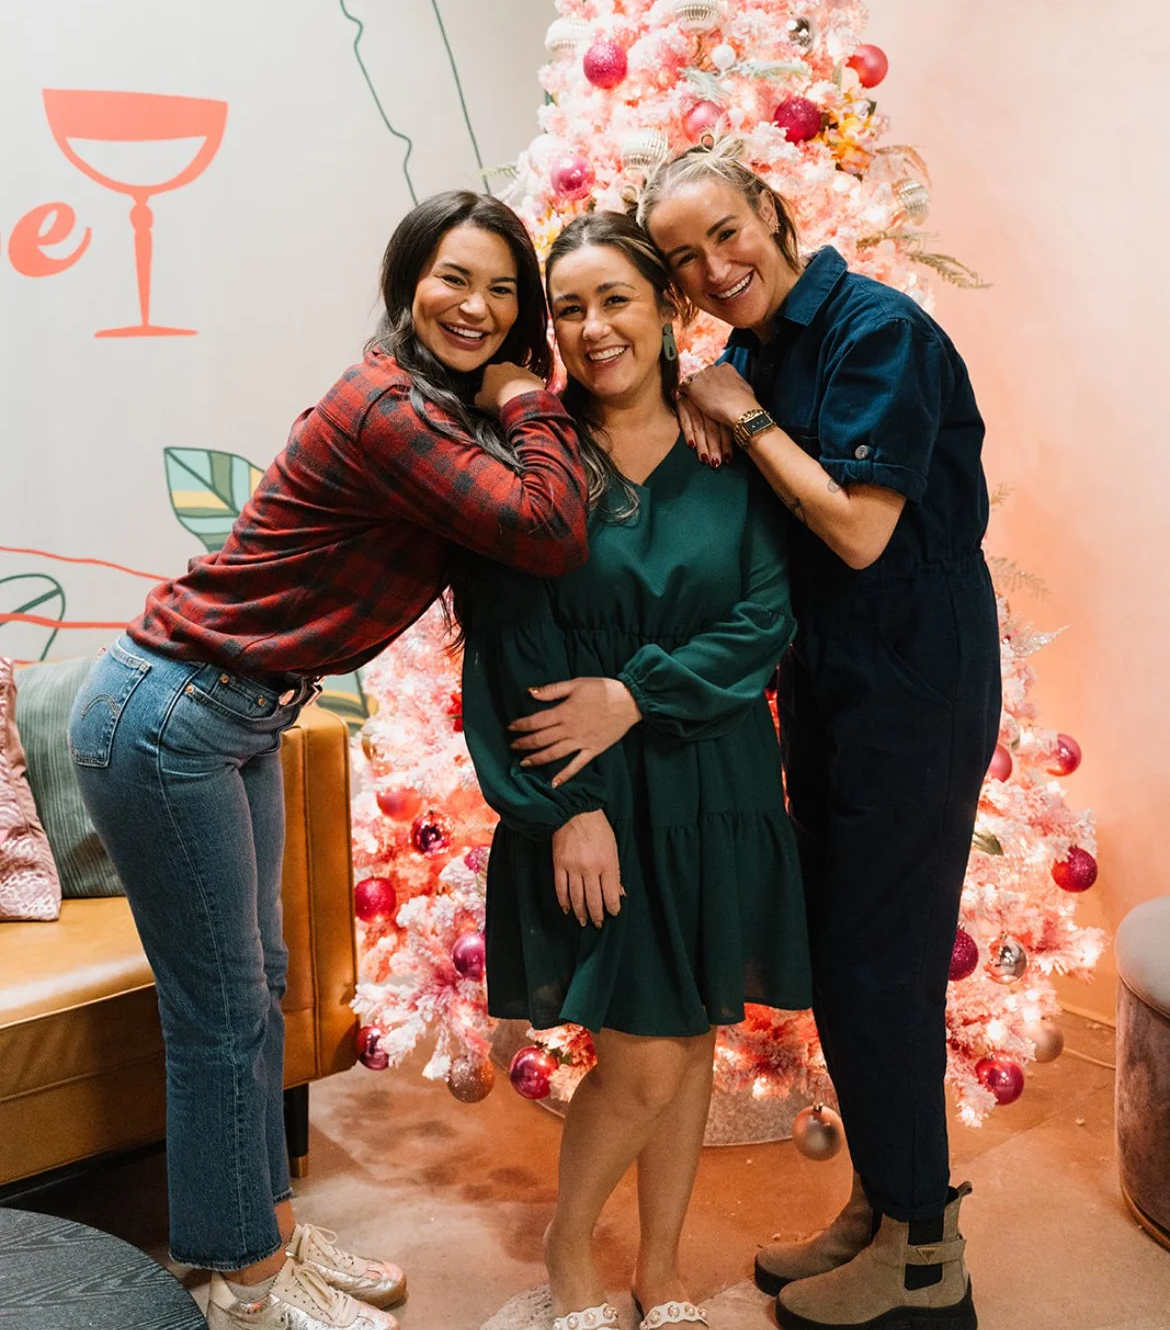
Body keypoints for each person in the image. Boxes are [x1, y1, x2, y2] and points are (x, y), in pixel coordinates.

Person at [67, 191, 589, 1330]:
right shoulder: (392, 407)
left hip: (230, 714)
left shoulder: (431, 411)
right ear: (410, 281)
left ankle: (272, 1236)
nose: (479, 305)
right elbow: (548, 526)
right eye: (458, 277)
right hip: (171, 716)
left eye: (506, 290)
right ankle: (241, 1280)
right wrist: (528, 395)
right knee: (219, 1011)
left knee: (257, 989)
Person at [638, 142, 1000, 1330]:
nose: (712, 266)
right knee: (848, 958)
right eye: (685, 259)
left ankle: (926, 1259)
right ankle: (888, 1205)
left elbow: (856, 531)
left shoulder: (874, 330)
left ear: (773, 213)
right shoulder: (758, 350)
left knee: (881, 962)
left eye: (724, 234)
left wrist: (738, 416)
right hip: (831, 675)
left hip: (914, 668)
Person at [459, 212, 811, 1330]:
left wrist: (637, 691)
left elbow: (765, 615)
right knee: (646, 1060)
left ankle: (660, 1268)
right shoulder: (537, 455)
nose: (594, 325)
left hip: (717, 783)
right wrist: (568, 809)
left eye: (617, 298)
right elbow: (513, 648)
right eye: (569, 305)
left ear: (669, 309)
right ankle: (570, 1247)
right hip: (599, 801)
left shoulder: (730, 450)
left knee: (691, 1032)